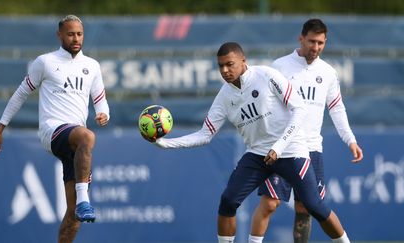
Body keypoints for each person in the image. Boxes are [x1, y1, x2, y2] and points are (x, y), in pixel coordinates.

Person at [153, 42, 351, 243]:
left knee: (314, 205)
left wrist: (279, 146)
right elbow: (205, 134)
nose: (225, 70)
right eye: (220, 66)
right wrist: (166, 143)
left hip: (291, 150)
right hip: (258, 154)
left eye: (229, 64)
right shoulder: (224, 96)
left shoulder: (266, 76)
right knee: (228, 201)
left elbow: (299, 109)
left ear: (243, 61)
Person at [0, 15, 110, 243]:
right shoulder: (45, 62)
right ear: (60, 35)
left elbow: (101, 101)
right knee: (87, 136)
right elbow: (20, 94)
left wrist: (104, 114)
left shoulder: (92, 66)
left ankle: (79, 206)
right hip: (52, 131)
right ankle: (85, 200)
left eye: (79, 34)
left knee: (73, 217)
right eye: (70, 33)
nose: (76, 38)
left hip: (74, 140)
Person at [250, 18, 364, 243]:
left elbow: (336, 108)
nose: (316, 47)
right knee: (270, 203)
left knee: (306, 207)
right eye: (312, 41)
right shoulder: (280, 67)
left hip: (311, 148)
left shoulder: (328, 73)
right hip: (281, 147)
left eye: (321, 43)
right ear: (301, 38)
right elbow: (264, 107)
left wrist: (350, 140)